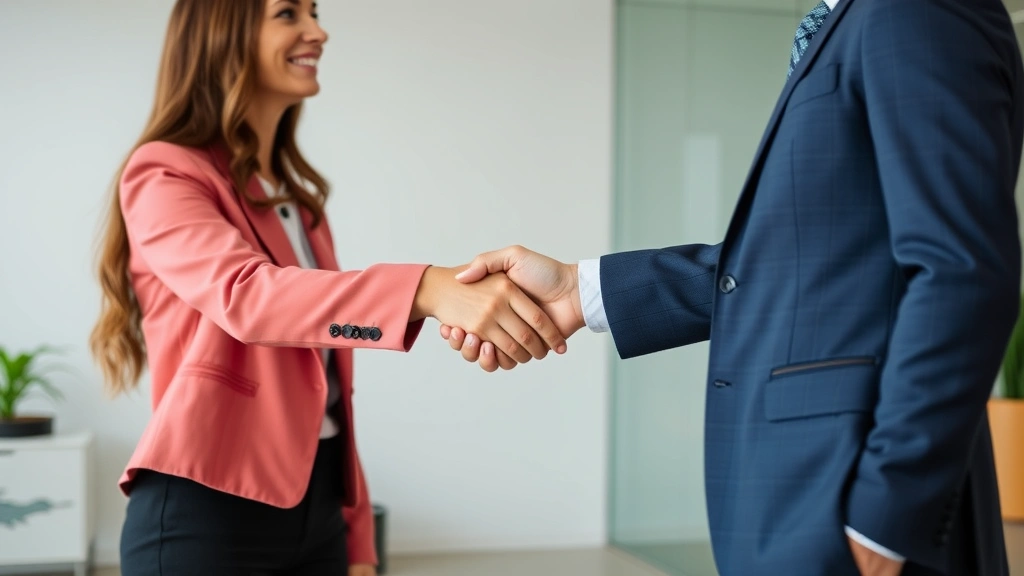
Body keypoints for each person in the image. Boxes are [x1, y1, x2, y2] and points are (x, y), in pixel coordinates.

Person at [443, 0, 1023, 574]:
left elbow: (962, 272)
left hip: (855, 499)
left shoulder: (918, 10)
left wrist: (882, 524)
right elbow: (803, 263)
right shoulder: (856, 19)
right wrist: (580, 290)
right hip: (803, 493)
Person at [88, 1, 565, 574]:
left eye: (314, 12)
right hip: (205, 510)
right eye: (288, 13)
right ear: (222, 31)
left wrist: (356, 536)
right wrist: (426, 289)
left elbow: (330, 389)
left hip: (317, 508)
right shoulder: (165, 172)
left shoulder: (297, 202)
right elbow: (248, 296)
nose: (318, 31)